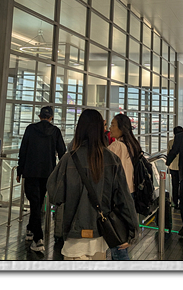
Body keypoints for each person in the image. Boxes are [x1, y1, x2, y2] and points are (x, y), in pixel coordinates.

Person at [47, 109, 137, 260]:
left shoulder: (69, 159)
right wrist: (133, 230)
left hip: (74, 236)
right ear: (100, 130)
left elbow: (55, 195)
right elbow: (124, 198)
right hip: (100, 235)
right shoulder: (112, 159)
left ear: (79, 129)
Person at [17, 106, 66, 252]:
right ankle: (31, 229)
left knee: (35, 203)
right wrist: (62, 173)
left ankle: (38, 239)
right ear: (51, 117)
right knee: (38, 203)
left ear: (39, 116)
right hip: (47, 173)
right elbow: (62, 152)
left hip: (30, 172)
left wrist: (19, 170)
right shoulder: (55, 131)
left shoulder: (30, 129)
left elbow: (23, 150)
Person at [106, 113, 143, 260]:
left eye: (113, 125)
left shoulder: (117, 146)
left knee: (118, 242)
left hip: (119, 195)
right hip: (130, 193)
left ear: (121, 128)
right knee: (123, 238)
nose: (110, 128)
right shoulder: (133, 144)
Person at [167, 126, 183, 208]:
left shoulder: (170, 142)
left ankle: (175, 202)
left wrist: (168, 163)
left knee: (175, 185)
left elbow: (168, 154)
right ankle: (182, 202)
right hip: (182, 167)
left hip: (173, 166)